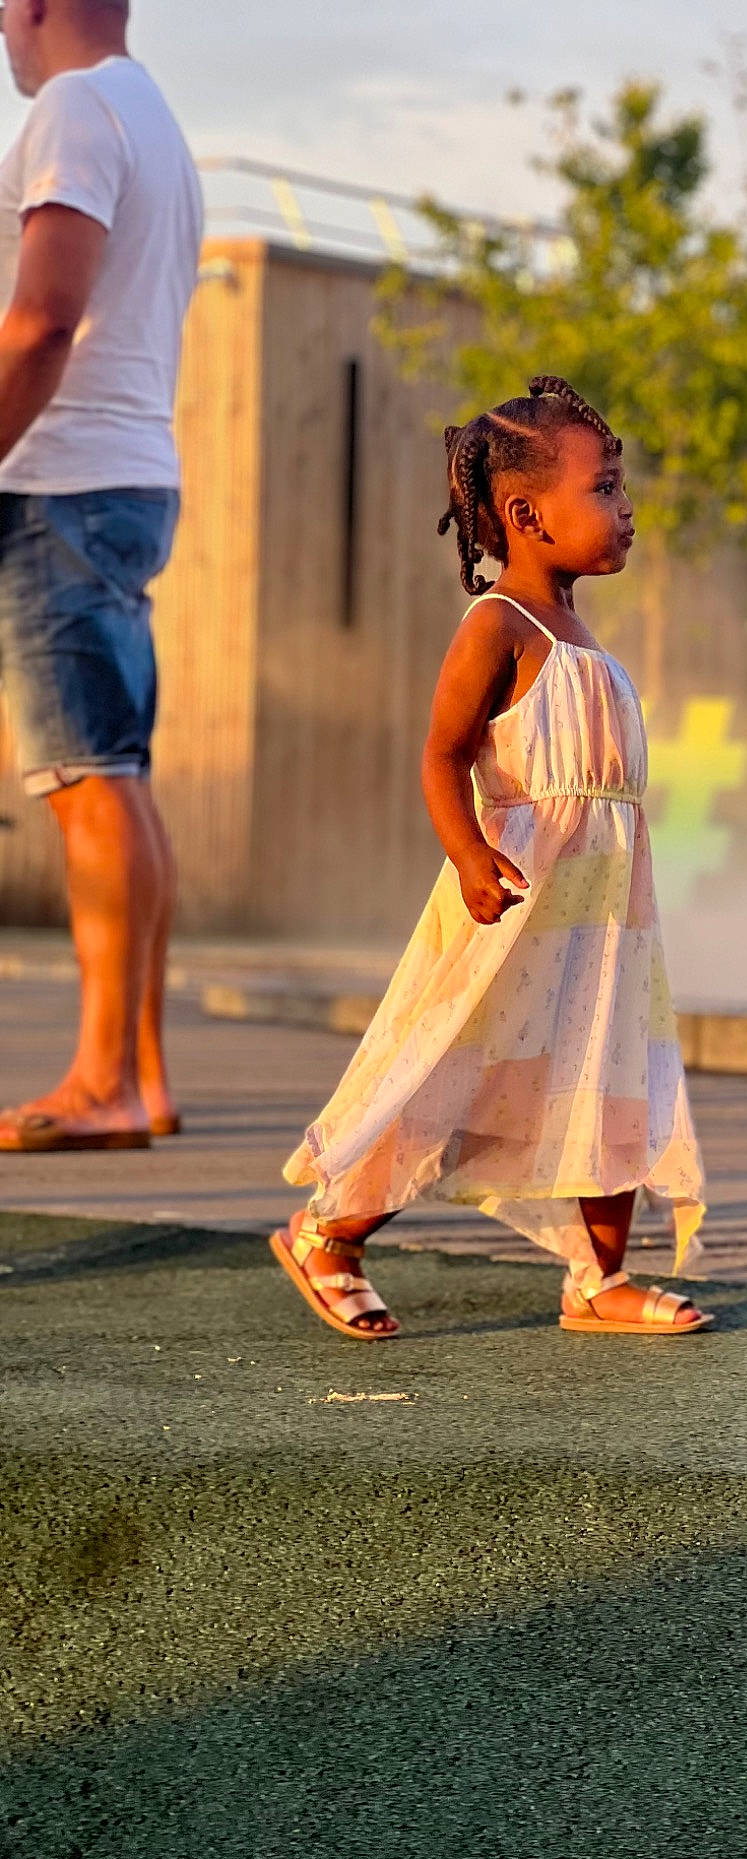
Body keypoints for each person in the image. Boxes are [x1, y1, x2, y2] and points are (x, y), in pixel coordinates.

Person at [273, 377, 710, 1339]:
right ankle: (329, 1234)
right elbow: (442, 753)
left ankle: (598, 1278)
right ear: (526, 515)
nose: (628, 508)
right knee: (448, 1079)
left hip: (601, 920)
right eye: (605, 488)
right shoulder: (499, 627)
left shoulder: (586, 639)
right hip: (514, 907)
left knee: (612, 1075)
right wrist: (469, 855)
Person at [0, 0, 201, 1152]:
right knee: (116, 775)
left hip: (60, 483)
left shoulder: (75, 107)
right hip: (124, 476)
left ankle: (101, 1082)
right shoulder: (148, 112)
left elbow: (41, 322)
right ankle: (142, 1075)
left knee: (88, 779)